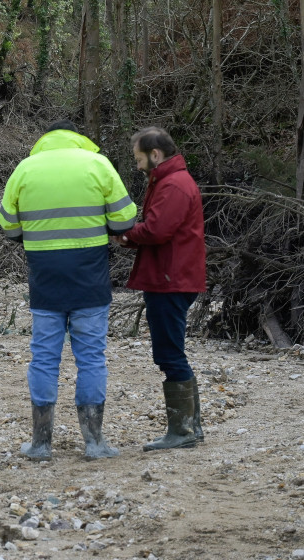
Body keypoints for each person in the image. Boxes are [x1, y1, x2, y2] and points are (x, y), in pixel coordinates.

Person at [0, 120, 137, 461]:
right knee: (91, 358)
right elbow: (124, 219)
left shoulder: (26, 169)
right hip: (89, 277)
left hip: (45, 279)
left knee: (44, 358)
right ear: (78, 139)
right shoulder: (97, 164)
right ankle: (94, 442)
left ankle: (41, 443)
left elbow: (7, 225)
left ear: (44, 140)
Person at [114, 126, 206, 451]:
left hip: (170, 279)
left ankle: (182, 432)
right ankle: (191, 428)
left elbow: (157, 230)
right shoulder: (172, 181)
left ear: (155, 154)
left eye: (139, 159)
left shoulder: (173, 185)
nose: (138, 166)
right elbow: (157, 229)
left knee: (169, 354)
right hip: (173, 277)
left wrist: (125, 235)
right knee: (172, 352)